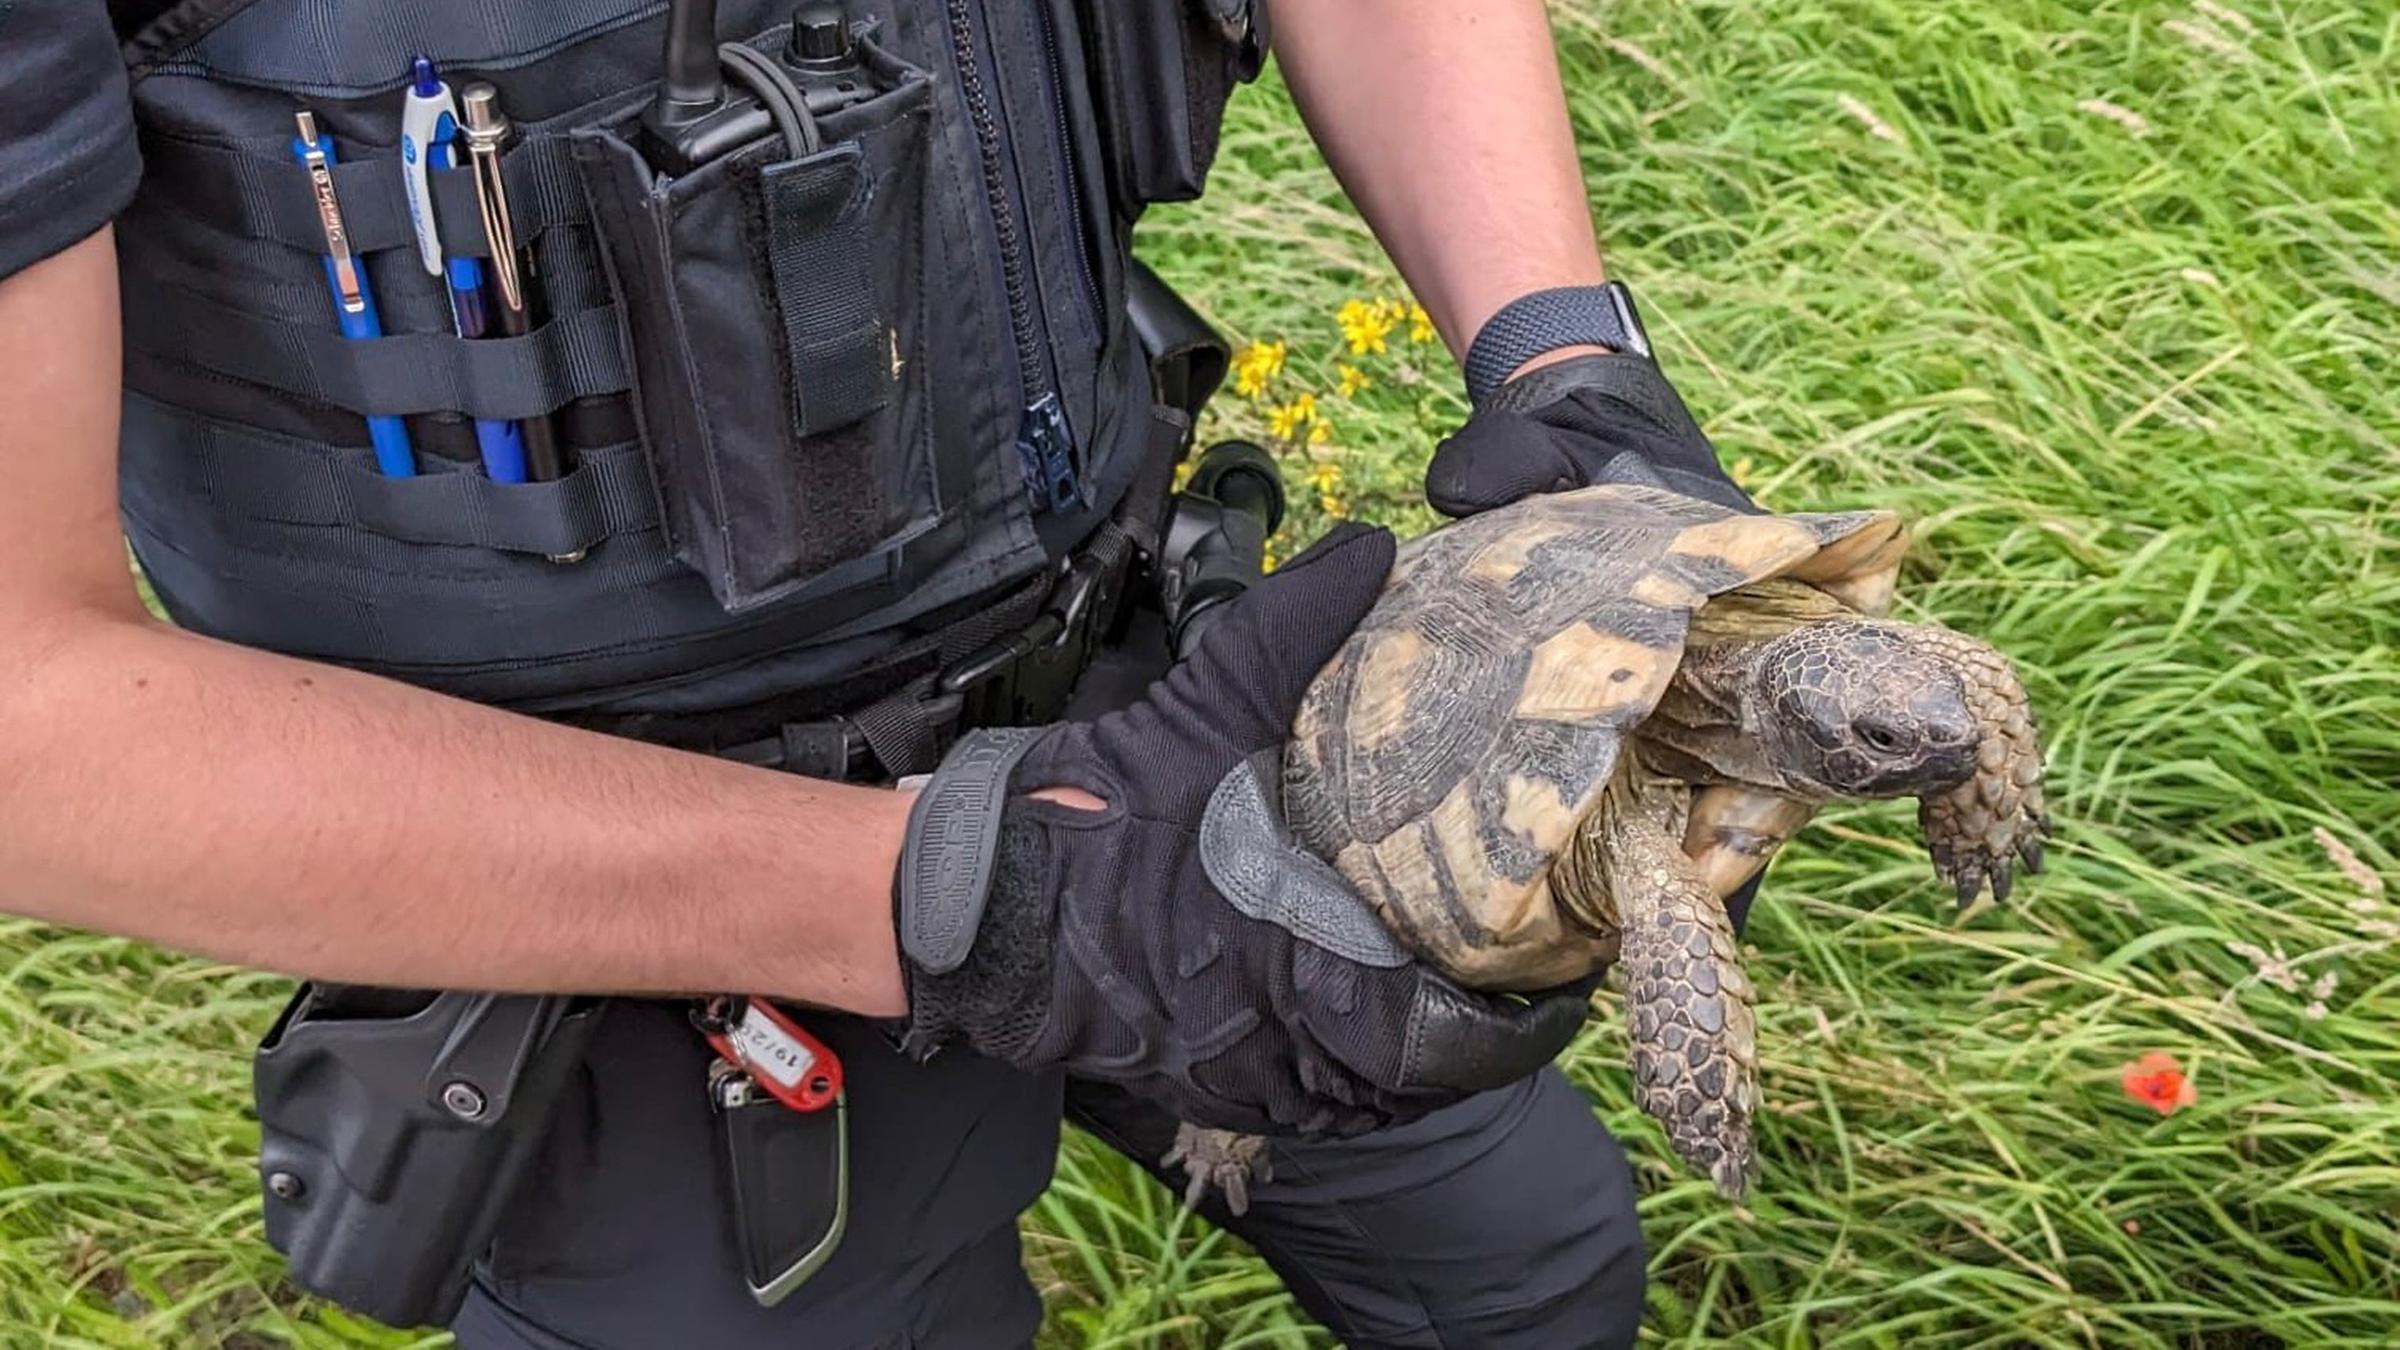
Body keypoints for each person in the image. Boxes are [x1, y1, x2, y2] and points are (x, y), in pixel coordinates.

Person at [0, 2, 1758, 1345]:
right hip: (628, 902)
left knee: (1530, 1265)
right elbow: (32, 722)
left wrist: (1561, 358)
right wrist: (970, 900)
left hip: (1159, 699)